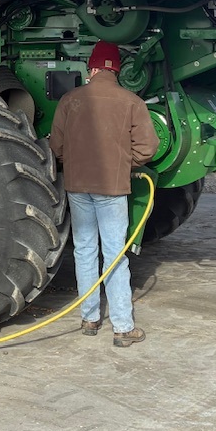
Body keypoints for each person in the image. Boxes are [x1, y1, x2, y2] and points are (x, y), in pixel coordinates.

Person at [49, 41, 159, 347]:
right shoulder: (131, 101)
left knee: (84, 249)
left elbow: (55, 147)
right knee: (114, 254)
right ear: (117, 70)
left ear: (93, 68)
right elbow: (148, 147)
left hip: (77, 185)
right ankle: (123, 328)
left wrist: (71, 163)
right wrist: (125, 163)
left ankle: (90, 318)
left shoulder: (70, 100)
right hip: (112, 186)